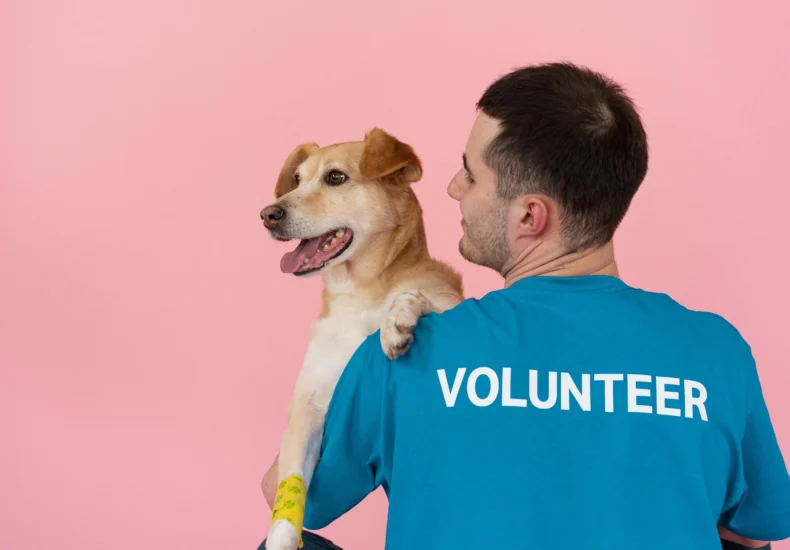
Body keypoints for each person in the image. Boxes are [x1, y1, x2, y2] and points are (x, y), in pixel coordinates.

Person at [259, 62, 790, 549]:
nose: (452, 188)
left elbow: (299, 496)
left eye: (470, 174)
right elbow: (749, 536)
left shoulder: (406, 350)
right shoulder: (717, 352)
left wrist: (332, 381)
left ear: (531, 216)